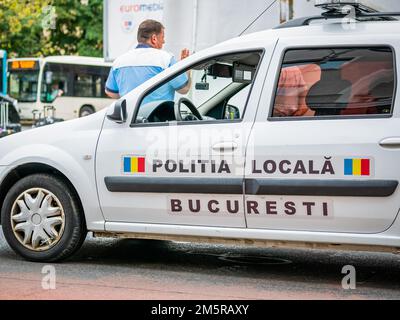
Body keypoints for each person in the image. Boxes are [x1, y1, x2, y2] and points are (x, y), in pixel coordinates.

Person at [105, 19, 191, 101]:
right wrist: (186, 66)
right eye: (162, 37)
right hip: (159, 115)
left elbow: (111, 93)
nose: (163, 41)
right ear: (154, 38)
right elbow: (184, 89)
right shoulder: (166, 59)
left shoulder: (119, 62)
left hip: (130, 116)